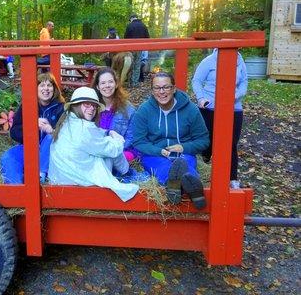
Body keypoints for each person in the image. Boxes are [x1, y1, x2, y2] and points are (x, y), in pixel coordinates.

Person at [48, 87, 140, 202]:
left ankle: (126, 172)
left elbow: (94, 138)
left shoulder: (67, 121)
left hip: (60, 178)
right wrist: (118, 139)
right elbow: (111, 149)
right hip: (76, 180)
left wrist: (108, 133)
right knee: (111, 150)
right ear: (76, 105)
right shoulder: (84, 128)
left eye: (94, 106)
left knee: (107, 145)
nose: (92, 109)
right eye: (87, 104)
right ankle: (127, 173)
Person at [132, 72, 209, 209]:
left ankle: (174, 186)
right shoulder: (144, 110)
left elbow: (203, 140)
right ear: (152, 91)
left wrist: (184, 147)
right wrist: (158, 151)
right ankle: (191, 186)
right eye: (157, 88)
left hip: (183, 153)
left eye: (166, 87)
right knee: (161, 166)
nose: (161, 92)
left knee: (184, 162)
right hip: (155, 154)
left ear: (174, 89)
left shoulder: (191, 110)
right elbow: (139, 141)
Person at [191, 49, 248, 189]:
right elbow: (197, 80)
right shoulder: (209, 61)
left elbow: (244, 82)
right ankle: (202, 169)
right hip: (210, 106)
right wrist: (201, 98)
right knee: (207, 142)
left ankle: (232, 178)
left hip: (233, 107)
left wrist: (235, 95)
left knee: (231, 144)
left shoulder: (240, 62)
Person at [0, 72, 65, 183]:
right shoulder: (26, 106)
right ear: (36, 88)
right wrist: (32, 125)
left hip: (51, 152)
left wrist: (52, 131)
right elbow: (14, 132)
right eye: (42, 85)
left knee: (49, 138)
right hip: (29, 149)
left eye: (49, 85)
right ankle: (16, 190)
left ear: (54, 89)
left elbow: (67, 137)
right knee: (8, 157)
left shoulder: (61, 108)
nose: (46, 89)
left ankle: (40, 177)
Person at [92, 67, 149, 183]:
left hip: (123, 150)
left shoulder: (128, 109)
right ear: (97, 87)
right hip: (98, 149)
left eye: (110, 82)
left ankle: (125, 176)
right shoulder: (91, 107)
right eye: (103, 83)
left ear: (116, 84)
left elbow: (131, 138)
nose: (107, 86)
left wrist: (112, 149)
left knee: (109, 159)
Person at [124, 14, 150, 87]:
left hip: (130, 48)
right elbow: (147, 37)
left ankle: (129, 82)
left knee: (130, 64)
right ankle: (135, 82)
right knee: (137, 65)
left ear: (132, 18)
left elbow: (125, 38)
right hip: (139, 48)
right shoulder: (143, 26)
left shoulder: (129, 26)